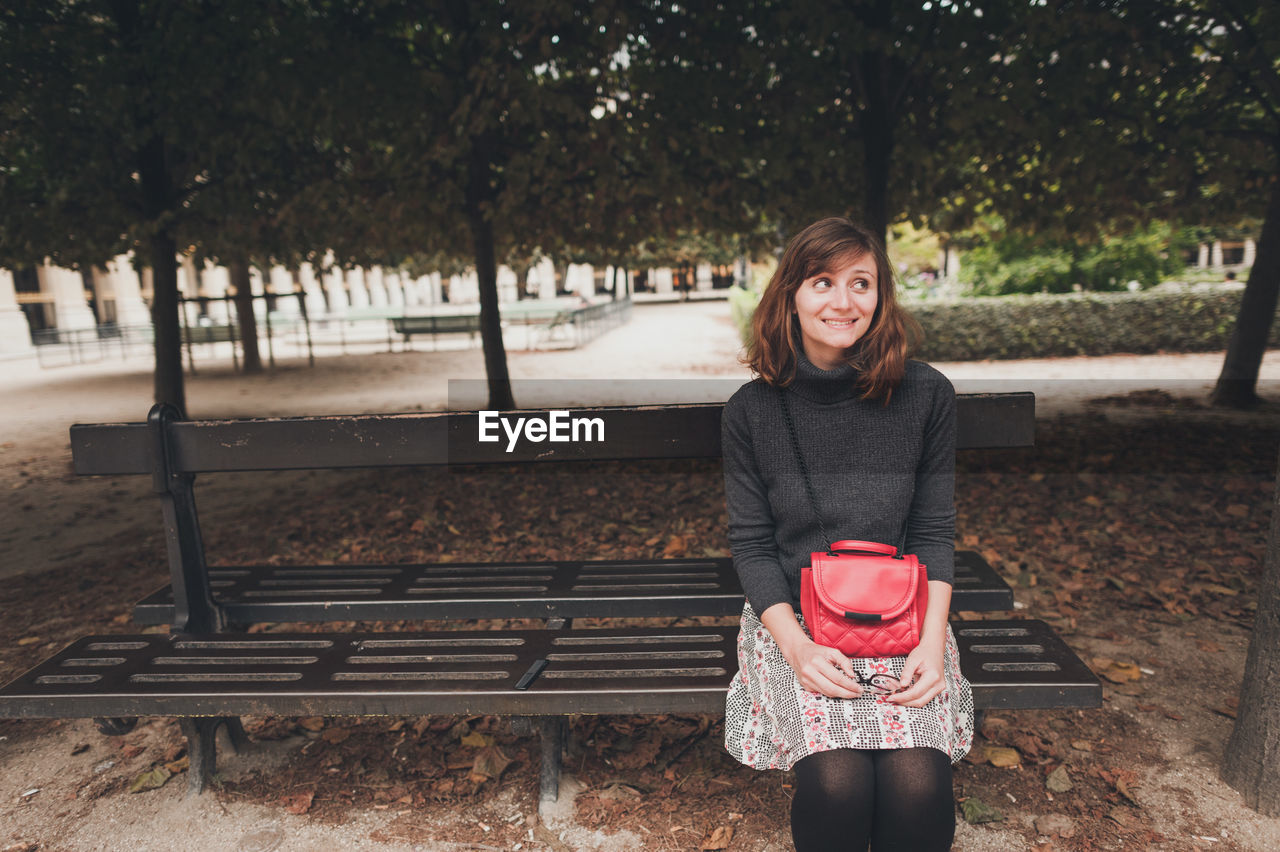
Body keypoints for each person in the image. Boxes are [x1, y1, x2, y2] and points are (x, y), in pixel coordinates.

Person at [722, 217, 974, 851]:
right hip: (797, 625)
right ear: (790, 295)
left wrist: (931, 645)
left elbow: (934, 530)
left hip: (907, 621)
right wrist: (800, 650)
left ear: (881, 296)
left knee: (917, 787)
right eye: (822, 282)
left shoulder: (926, 394)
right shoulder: (753, 410)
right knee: (839, 785)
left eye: (861, 283)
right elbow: (752, 547)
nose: (843, 301)